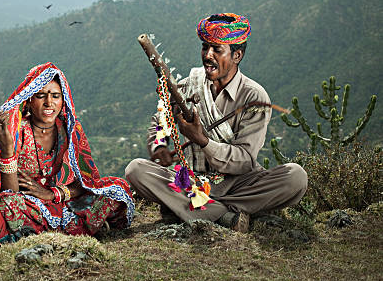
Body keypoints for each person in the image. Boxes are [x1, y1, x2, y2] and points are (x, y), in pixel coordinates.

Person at [125, 13, 307, 232]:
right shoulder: (190, 84)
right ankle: (224, 216)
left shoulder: (255, 97)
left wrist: (202, 140)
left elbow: (245, 161)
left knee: (296, 178)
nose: (208, 56)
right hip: (192, 181)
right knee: (136, 170)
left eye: (217, 50)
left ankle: (191, 209)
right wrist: (159, 144)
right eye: (205, 48)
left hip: (240, 185)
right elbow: (160, 119)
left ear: (237, 55)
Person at [0, 62, 134, 245]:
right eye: (40, 96)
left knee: (116, 188)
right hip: (29, 206)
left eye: (55, 96)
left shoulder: (69, 130)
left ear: (63, 100)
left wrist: (53, 194)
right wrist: (7, 151)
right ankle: (76, 231)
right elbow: (9, 192)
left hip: (60, 202)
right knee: (4, 204)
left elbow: (85, 182)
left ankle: (51, 234)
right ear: (29, 100)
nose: (49, 103)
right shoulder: (16, 132)